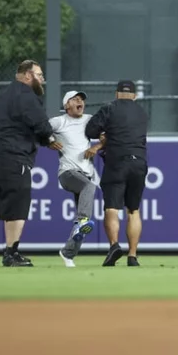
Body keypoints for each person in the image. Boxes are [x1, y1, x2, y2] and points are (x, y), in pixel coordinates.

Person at [0, 60, 54, 267]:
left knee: (7, 204)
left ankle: (8, 250)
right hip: (16, 156)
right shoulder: (26, 95)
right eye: (39, 75)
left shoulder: (4, 96)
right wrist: (49, 138)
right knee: (18, 205)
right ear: (27, 76)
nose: (42, 79)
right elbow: (42, 126)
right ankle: (11, 252)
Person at [85, 80, 149, 267]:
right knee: (134, 210)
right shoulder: (142, 112)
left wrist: (103, 136)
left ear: (116, 93)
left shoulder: (110, 108)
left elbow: (90, 129)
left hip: (117, 162)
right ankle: (133, 255)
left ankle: (114, 246)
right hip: (139, 162)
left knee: (112, 208)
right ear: (135, 95)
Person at [48, 90, 104, 267]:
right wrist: (49, 140)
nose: (80, 101)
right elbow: (40, 130)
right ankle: (82, 221)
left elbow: (108, 133)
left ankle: (68, 253)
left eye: (82, 100)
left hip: (85, 173)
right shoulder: (59, 121)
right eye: (75, 99)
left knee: (84, 219)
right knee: (89, 190)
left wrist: (97, 147)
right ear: (66, 105)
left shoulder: (89, 120)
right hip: (68, 172)